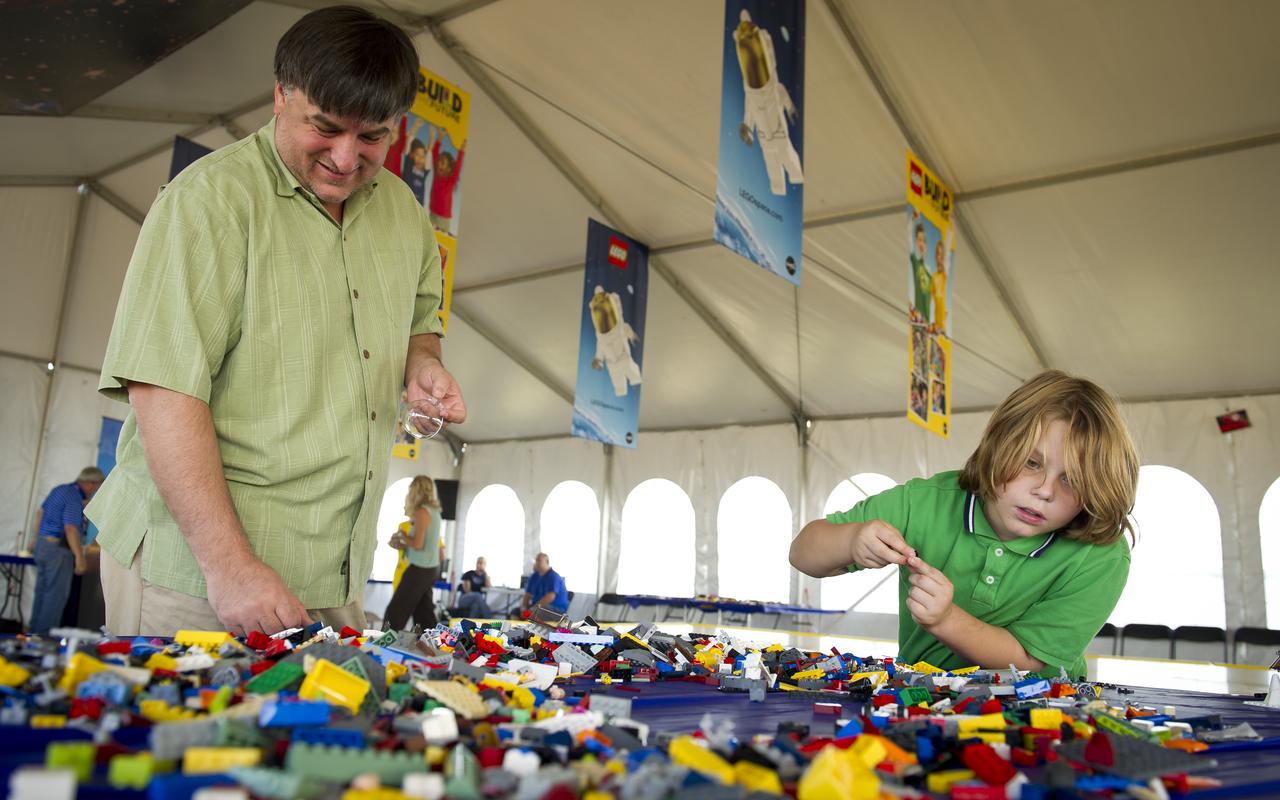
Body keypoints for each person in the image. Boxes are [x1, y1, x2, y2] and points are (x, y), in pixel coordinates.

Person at [86, 6, 467, 638]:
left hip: (334, 574)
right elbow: (163, 393)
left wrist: (422, 365)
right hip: (197, 574)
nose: (346, 159)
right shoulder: (208, 202)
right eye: (324, 127)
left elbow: (420, 321)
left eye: (371, 137)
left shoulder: (404, 214)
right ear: (280, 97)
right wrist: (230, 566)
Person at [790, 370, 1139, 680]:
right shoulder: (925, 501)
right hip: (916, 699)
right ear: (998, 445)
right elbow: (803, 553)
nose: (1045, 491)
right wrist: (851, 539)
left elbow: (1029, 658)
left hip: (1046, 709)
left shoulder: (1101, 555)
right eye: (1031, 463)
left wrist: (945, 620)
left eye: (1073, 481)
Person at [27, 467, 104, 635]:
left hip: (42, 545)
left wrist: (34, 538)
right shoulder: (74, 497)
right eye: (97, 487)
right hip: (58, 550)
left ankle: (33, 635)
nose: (95, 492)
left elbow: (40, 513)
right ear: (90, 484)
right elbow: (70, 528)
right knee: (55, 597)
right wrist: (80, 559)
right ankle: (44, 637)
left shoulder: (60, 490)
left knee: (42, 592)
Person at [383, 476, 444, 631]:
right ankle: (432, 644)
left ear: (416, 490)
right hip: (430, 568)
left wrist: (403, 537)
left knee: (394, 613)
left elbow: (417, 544)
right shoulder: (434, 511)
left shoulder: (422, 511)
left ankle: (383, 644)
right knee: (423, 614)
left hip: (420, 569)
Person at [427, 130, 465, 233]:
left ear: (448, 169)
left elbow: (457, 168)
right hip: (433, 214)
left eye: (442, 163)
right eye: (439, 161)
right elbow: (435, 155)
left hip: (444, 218)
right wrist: (440, 138)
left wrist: (461, 151)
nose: (439, 164)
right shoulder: (436, 175)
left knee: (442, 243)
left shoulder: (451, 181)